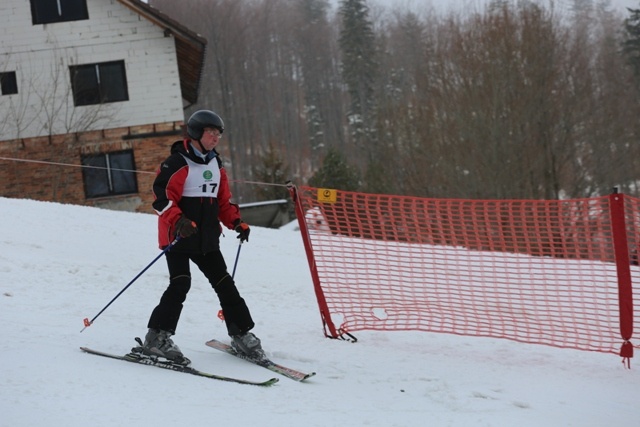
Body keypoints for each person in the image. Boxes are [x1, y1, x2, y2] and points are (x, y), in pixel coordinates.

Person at [137, 110, 263, 366]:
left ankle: (241, 334)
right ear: (196, 133)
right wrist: (179, 220)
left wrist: (236, 222)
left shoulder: (217, 165)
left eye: (218, 134)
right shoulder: (177, 163)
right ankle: (156, 338)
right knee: (180, 284)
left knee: (225, 284)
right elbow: (161, 200)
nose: (215, 138)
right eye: (210, 133)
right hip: (180, 238)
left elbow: (223, 202)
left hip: (206, 240)